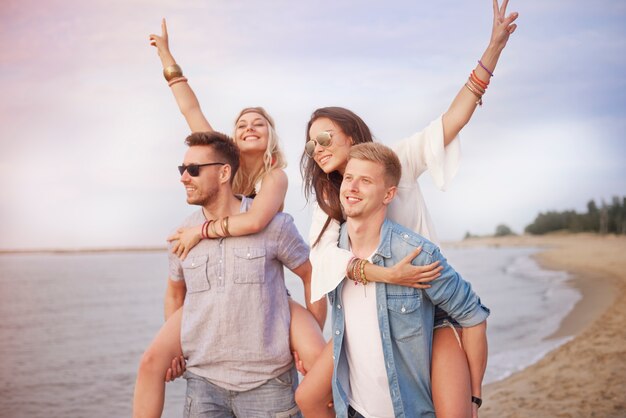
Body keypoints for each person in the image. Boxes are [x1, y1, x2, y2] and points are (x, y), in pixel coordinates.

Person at [296, 2, 517, 416]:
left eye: (324, 136)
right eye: (310, 144)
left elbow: (453, 119)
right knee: (308, 396)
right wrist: (383, 274)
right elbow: (323, 262)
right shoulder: (328, 205)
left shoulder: (395, 159)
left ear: (351, 133)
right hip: (367, 311)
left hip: (423, 307)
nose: (317, 149)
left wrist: (494, 49)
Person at [133, 22, 327, 418]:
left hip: (264, 281)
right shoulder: (218, 164)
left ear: (271, 136)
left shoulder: (274, 178)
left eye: (259, 123)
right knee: (153, 360)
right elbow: (190, 108)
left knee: (316, 361)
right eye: (241, 124)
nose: (249, 127)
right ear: (230, 144)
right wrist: (167, 57)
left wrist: (200, 231)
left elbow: (255, 222)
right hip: (222, 285)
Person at [135, 131, 323, 417]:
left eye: (193, 170)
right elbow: (175, 293)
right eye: (182, 170)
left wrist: (308, 335)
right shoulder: (182, 234)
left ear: (224, 173)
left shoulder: (275, 225)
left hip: (268, 385)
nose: (184, 177)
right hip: (203, 386)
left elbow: (312, 276)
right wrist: (177, 350)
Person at [333, 142, 489, 417]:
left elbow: (473, 316)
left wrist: (473, 398)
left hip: (408, 409)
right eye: (348, 177)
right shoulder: (332, 248)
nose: (352, 187)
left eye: (365, 181)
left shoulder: (416, 254)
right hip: (355, 408)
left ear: (388, 194)